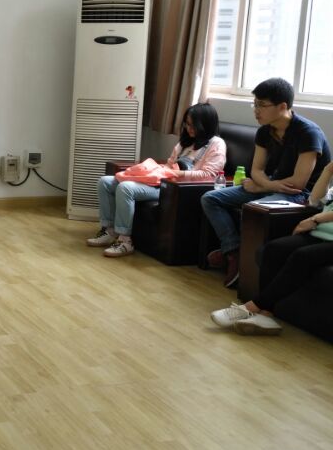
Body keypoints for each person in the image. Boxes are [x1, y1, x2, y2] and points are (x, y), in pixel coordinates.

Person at [201, 78, 330, 288]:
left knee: (254, 209)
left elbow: (299, 182)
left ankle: (241, 259)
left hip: (303, 196)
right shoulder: (264, 131)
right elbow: (256, 170)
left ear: (282, 106)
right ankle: (234, 251)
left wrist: (262, 186)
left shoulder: (308, 132)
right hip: (275, 186)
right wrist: (266, 184)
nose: (256, 110)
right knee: (210, 198)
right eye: (254, 104)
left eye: (261, 105)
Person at [87, 103, 226, 257]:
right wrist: (157, 169)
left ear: (206, 124)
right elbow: (170, 163)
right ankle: (109, 231)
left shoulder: (216, 144)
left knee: (125, 188)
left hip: (175, 189)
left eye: (193, 125)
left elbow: (209, 175)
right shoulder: (185, 142)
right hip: (161, 180)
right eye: (187, 124)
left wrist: (177, 173)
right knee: (105, 182)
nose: (189, 129)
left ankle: (125, 241)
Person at [210, 159, 333, 335]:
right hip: (322, 232)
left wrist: (315, 219)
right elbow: (314, 200)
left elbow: (319, 213)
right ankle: (266, 316)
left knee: (303, 256)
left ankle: (251, 307)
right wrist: (328, 170)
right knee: (273, 250)